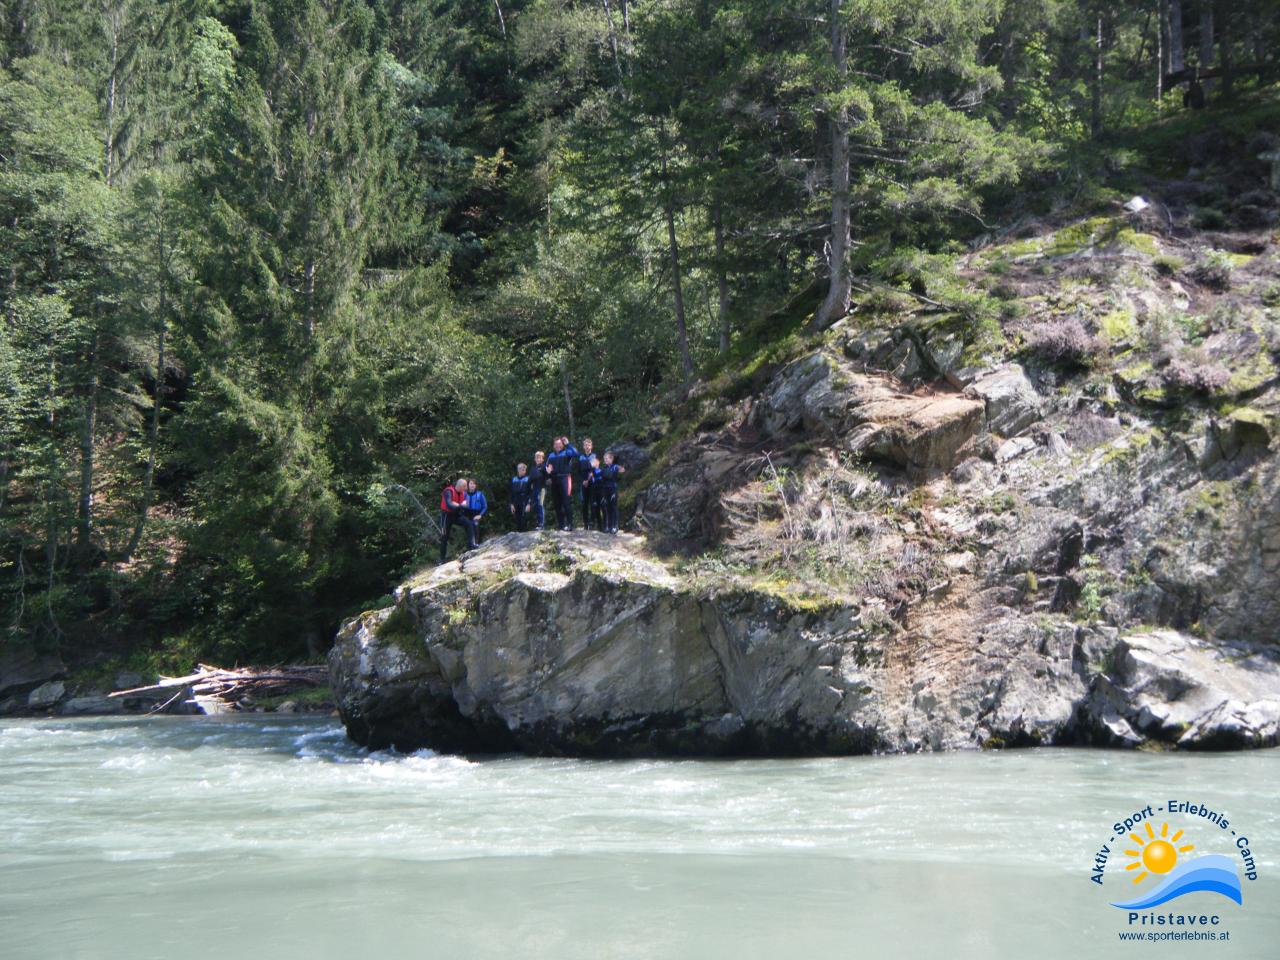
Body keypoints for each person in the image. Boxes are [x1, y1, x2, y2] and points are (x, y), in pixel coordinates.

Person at [544, 436, 579, 530]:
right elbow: (546, 467)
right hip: (554, 480)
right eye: (556, 444)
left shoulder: (567, 452)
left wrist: (568, 444)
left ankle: (570, 524)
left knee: (566, 502)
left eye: (559, 444)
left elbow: (576, 454)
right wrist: (548, 475)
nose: (558, 445)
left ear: (562, 445)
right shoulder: (551, 455)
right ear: (553, 446)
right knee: (557, 503)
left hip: (565, 478)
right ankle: (561, 525)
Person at [439, 477, 476, 563]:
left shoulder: (463, 493)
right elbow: (450, 505)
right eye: (465, 487)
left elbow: (467, 505)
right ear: (460, 486)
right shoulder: (448, 491)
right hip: (446, 516)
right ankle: (441, 559)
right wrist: (461, 505)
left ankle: (472, 545)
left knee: (469, 524)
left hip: (456, 515)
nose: (466, 488)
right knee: (444, 537)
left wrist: (459, 505)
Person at [598, 451, 625, 533]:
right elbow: (599, 477)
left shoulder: (615, 467)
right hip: (605, 489)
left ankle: (615, 526)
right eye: (604, 459)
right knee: (607, 507)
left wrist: (620, 469)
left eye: (606, 458)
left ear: (611, 459)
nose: (605, 460)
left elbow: (622, 470)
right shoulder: (604, 468)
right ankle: (608, 526)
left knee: (613, 507)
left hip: (613, 489)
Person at [575, 437, 596, 530]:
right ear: (583, 447)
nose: (587, 447)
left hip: (592, 482)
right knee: (584, 504)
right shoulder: (581, 457)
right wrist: (583, 481)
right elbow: (578, 471)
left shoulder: (594, 456)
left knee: (592, 503)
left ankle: (592, 523)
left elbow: (595, 470)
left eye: (588, 445)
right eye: (585, 445)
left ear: (591, 446)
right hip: (583, 483)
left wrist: (588, 479)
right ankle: (585, 523)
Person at [582, 453, 604, 531]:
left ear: (598, 462)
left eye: (595, 461)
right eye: (592, 461)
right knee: (594, 506)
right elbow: (590, 476)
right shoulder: (592, 471)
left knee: (602, 507)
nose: (593, 462)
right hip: (594, 490)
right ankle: (595, 524)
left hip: (601, 491)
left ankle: (604, 525)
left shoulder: (601, 470)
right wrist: (586, 481)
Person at [510, 463, 533, 532]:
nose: (521, 470)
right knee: (517, 520)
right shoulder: (514, 479)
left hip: (525, 500)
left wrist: (529, 504)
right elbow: (511, 493)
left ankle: (524, 534)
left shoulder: (528, 479)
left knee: (524, 519)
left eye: (523, 469)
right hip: (516, 501)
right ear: (517, 470)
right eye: (519, 469)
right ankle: (519, 534)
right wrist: (511, 504)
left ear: (525, 470)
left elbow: (531, 492)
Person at [529, 450, 548, 530]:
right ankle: (538, 523)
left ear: (542, 459)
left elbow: (548, 477)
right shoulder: (533, 468)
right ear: (534, 459)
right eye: (537, 457)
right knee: (536, 506)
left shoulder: (544, 467)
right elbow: (530, 480)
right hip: (534, 489)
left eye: (540, 457)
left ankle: (541, 524)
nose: (538, 459)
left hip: (542, 489)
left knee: (540, 505)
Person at [465, 479, 488, 543]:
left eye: (474, 484)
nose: (472, 485)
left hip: (476, 514)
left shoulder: (480, 494)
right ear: (468, 485)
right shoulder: (464, 494)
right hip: (467, 515)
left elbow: (485, 506)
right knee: (468, 531)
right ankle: (470, 546)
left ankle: (476, 544)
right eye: (471, 483)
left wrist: (480, 515)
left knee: (475, 528)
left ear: (476, 485)